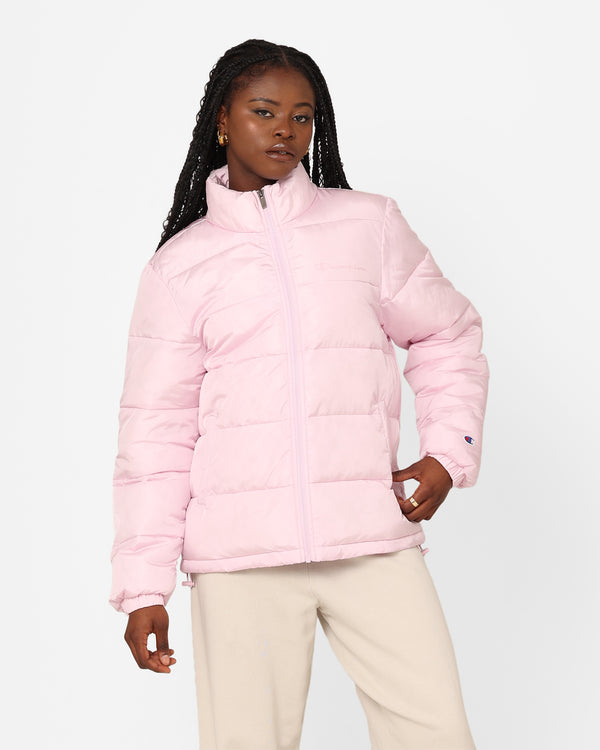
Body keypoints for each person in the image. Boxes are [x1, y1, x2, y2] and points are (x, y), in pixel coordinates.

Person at [109, 38, 489, 750]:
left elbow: (447, 333)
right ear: (223, 121)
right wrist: (143, 586)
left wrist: (449, 452)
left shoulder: (368, 225)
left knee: (436, 734)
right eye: (264, 111)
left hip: (368, 538)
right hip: (240, 561)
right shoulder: (180, 268)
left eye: (302, 116)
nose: (286, 129)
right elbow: (154, 435)